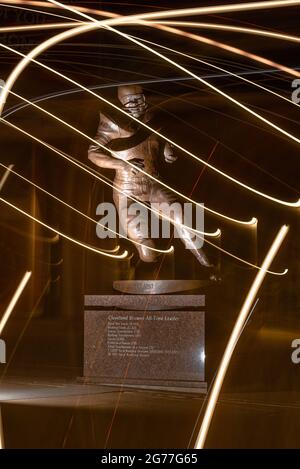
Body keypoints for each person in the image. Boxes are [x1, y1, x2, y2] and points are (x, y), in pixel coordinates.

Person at [88, 84, 218, 280]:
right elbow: (93, 153)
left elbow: (158, 143)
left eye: (141, 98)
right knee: (146, 247)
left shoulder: (153, 119)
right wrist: (122, 165)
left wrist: (167, 151)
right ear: (122, 102)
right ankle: (147, 279)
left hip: (153, 182)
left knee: (180, 215)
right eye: (132, 100)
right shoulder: (113, 123)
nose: (138, 103)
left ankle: (206, 264)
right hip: (127, 188)